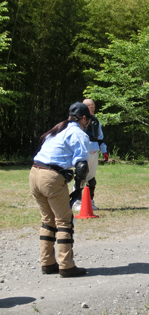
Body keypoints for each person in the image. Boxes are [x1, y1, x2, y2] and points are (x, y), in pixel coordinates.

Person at [29, 102, 92, 277]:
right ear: (84, 118)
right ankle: (66, 265)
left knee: (47, 219)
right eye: (88, 119)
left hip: (34, 174)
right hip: (50, 177)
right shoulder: (79, 133)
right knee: (64, 220)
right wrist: (79, 189)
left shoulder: (57, 129)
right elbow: (81, 166)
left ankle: (47, 263)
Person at [72, 98, 108, 211]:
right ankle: (76, 201)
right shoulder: (77, 121)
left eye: (93, 106)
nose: (92, 108)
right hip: (82, 150)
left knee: (91, 179)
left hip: (94, 150)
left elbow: (100, 137)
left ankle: (90, 202)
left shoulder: (96, 121)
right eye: (89, 106)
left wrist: (104, 151)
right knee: (80, 175)